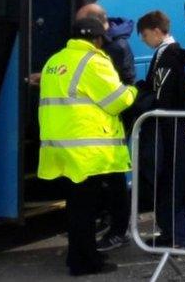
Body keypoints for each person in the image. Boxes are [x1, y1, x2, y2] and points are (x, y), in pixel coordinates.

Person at [38, 17, 136, 276]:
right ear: (96, 39)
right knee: (85, 209)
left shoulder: (54, 61)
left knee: (75, 207)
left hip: (59, 147)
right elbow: (118, 100)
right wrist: (134, 91)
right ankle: (86, 262)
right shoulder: (93, 61)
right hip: (86, 150)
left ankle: (76, 257)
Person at [135, 10, 185, 250]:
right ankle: (169, 234)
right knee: (167, 183)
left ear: (156, 31)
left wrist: (140, 97)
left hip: (169, 131)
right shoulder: (165, 55)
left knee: (173, 183)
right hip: (168, 129)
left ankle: (180, 238)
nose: (143, 41)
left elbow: (160, 97)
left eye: (144, 36)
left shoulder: (168, 58)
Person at [76, 4, 136, 85]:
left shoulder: (118, 46)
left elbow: (127, 81)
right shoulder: (95, 39)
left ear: (95, 22)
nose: (79, 29)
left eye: (81, 24)